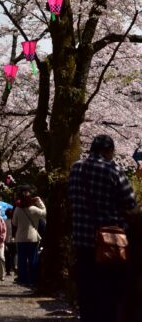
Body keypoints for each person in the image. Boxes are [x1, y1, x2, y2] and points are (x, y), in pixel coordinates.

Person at [69, 134, 137, 322]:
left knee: (86, 291)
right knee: (109, 292)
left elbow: (72, 199)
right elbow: (130, 203)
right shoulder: (113, 169)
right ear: (109, 151)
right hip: (108, 243)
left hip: (82, 241)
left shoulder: (76, 168)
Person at [12, 185, 46, 288]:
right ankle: (32, 279)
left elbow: (14, 223)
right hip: (32, 238)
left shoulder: (18, 209)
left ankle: (23, 279)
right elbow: (44, 213)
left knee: (22, 260)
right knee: (33, 259)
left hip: (20, 238)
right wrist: (39, 201)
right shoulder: (34, 209)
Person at [4, 207, 17, 276]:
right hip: (14, 240)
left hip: (6, 241)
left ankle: (8, 270)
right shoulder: (14, 221)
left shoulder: (4, 221)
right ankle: (15, 269)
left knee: (7, 256)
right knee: (13, 256)